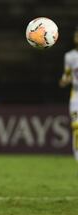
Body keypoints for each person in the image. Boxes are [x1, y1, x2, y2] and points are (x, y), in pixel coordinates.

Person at [59, 27, 78, 161]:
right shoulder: (70, 56)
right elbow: (65, 78)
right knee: (76, 127)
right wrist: (65, 80)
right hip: (76, 96)